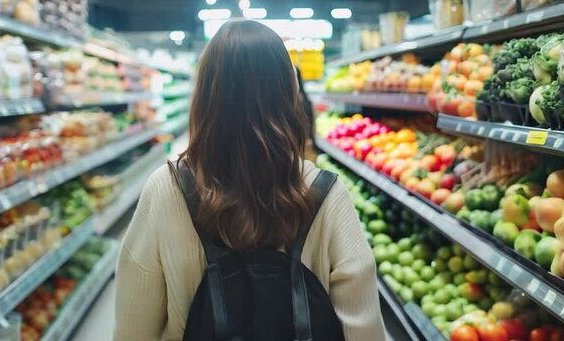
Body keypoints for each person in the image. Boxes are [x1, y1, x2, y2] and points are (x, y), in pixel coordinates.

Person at [113, 20, 386, 341]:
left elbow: (133, 331)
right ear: (290, 94)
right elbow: (363, 331)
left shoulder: (167, 188)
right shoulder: (325, 193)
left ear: (203, 96)